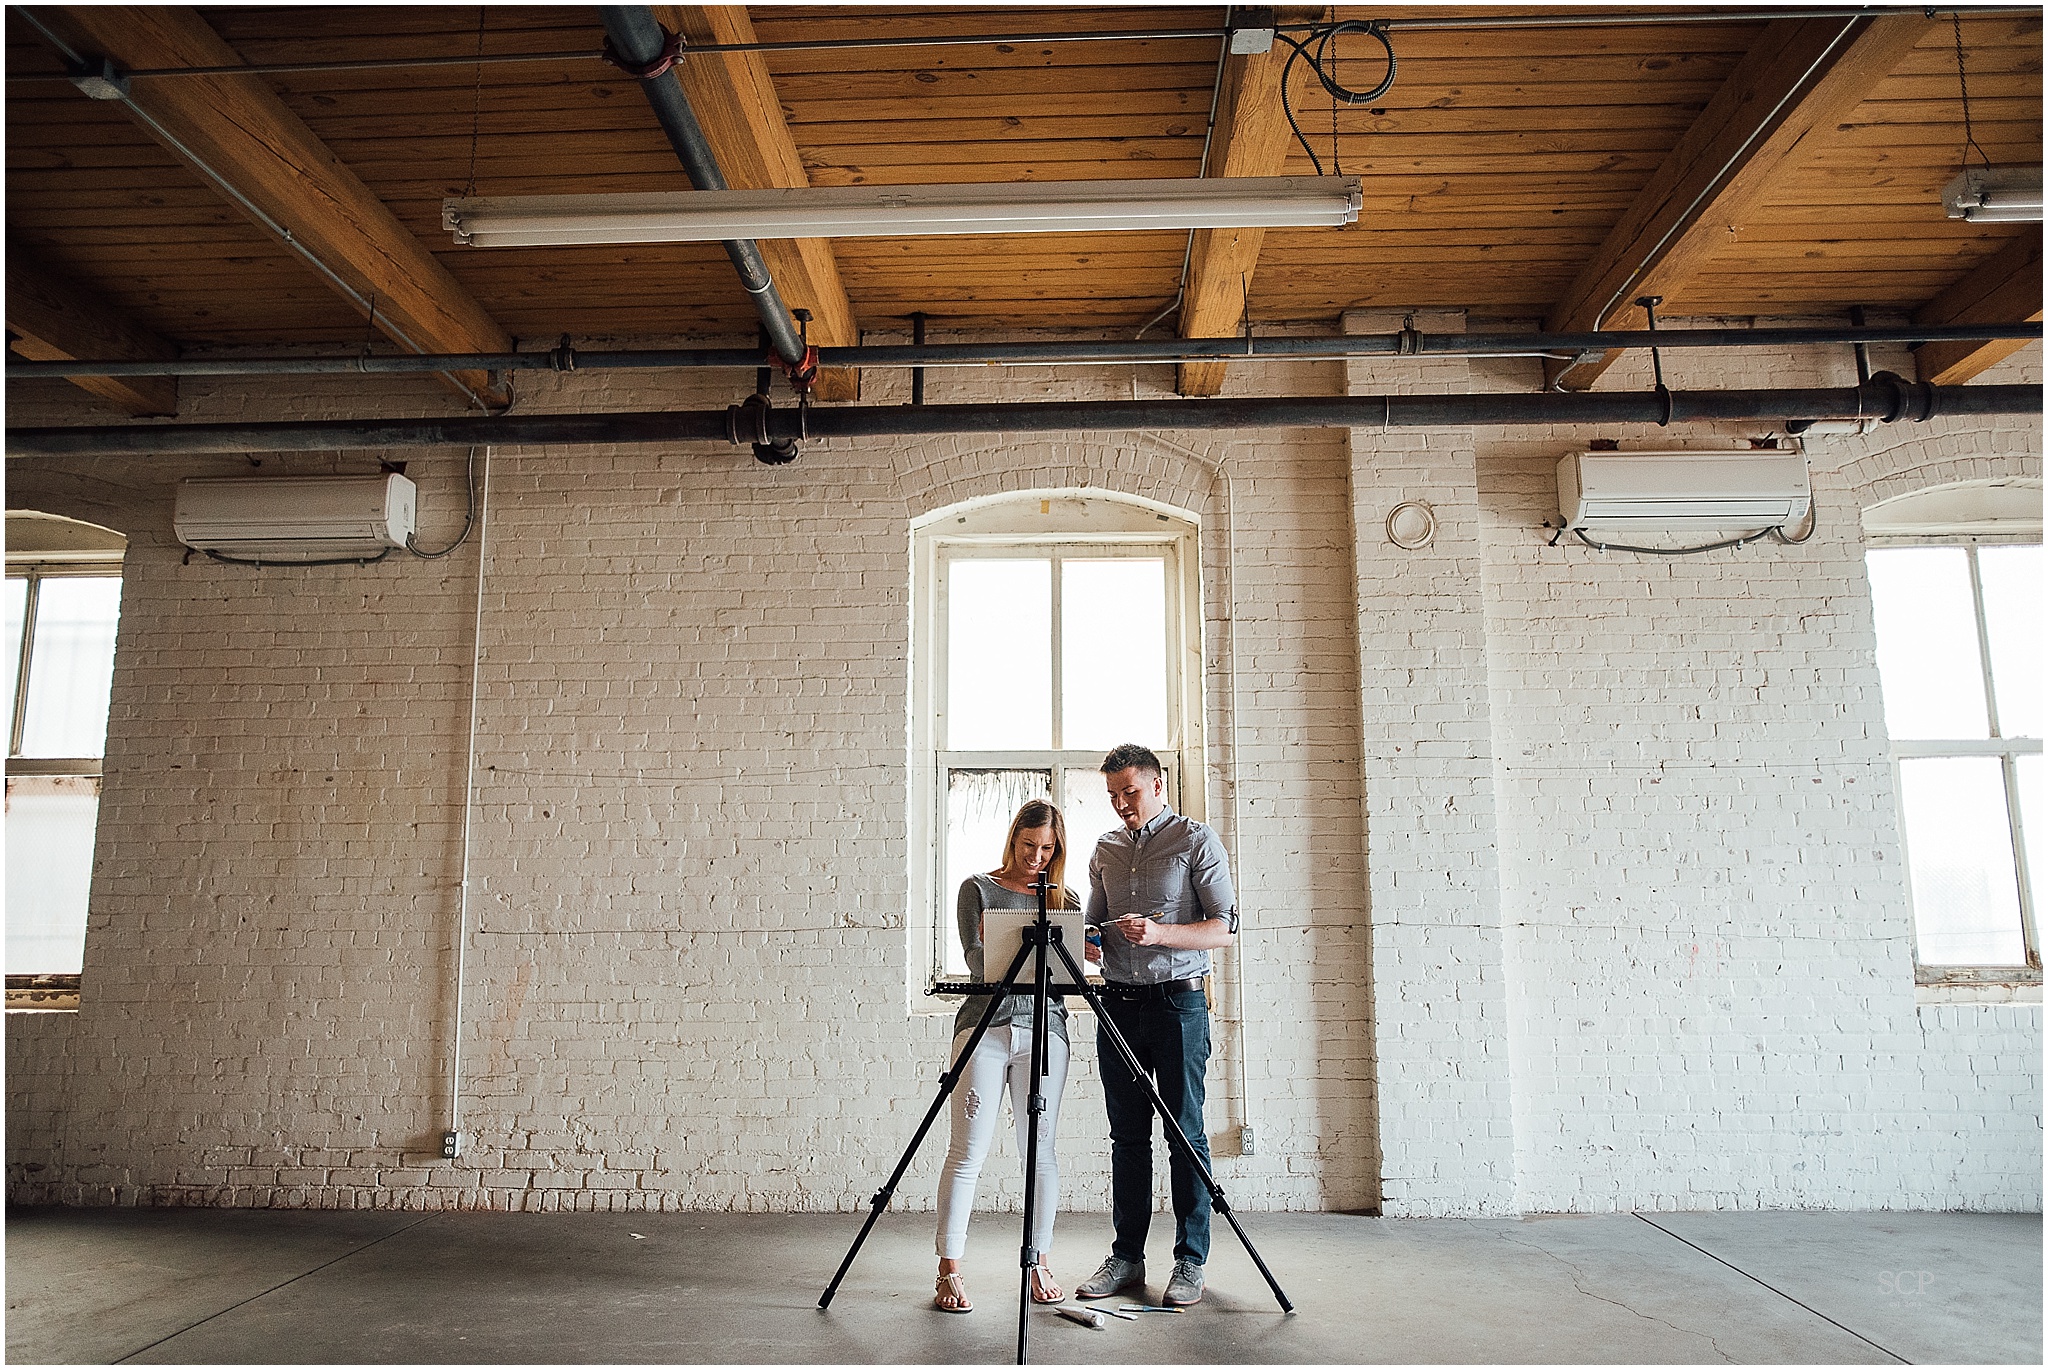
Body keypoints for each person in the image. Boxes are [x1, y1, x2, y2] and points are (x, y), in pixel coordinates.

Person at [1074, 743, 1237, 1309]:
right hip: (1117, 1004)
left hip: (1178, 1007)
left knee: (1185, 1134)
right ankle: (1126, 1256)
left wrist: (1160, 934)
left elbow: (1223, 929)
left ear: (1158, 784)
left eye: (1130, 791)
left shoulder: (1195, 840)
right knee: (1126, 1137)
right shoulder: (1106, 849)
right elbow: (1092, 928)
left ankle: (1190, 1261)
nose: (1121, 803)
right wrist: (1088, 941)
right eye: (1113, 794)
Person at [932, 798, 1076, 1314]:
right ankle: (949, 1269)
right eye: (1027, 846)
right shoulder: (978, 889)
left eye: (1047, 848)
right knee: (967, 1150)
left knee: (1040, 1151)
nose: (1037, 856)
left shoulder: (1064, 898)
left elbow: (1064, 978)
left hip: (1045, 1030)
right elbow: (978, 962)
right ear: (1013, 838)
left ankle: (1037, 1260)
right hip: (986, 1025)